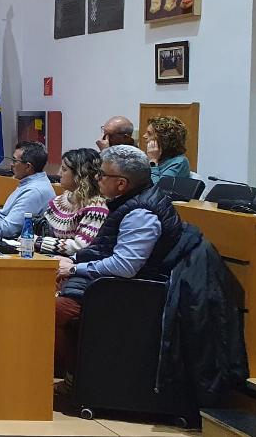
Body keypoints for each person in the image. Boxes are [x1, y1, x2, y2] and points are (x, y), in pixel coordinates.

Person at [53, 145, 183, 378]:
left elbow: (124, 267)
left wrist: (74, 268)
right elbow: (102, 249)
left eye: (102, 174)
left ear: (121, 183)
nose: (96, 178)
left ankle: (79, 379)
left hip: (121, 294)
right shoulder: (128, 202)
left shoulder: (142, 214)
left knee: (44, 310)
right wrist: (72, 262)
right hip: (99, 285)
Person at [34, 148, 109, 256]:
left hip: (68, 266)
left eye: (64, 169)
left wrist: (39, 242)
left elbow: (80, 246)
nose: (58, 173)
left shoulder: (97, 208)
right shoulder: (59, 201)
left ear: (80, 175)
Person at [144, 115, 191, 184]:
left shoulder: (179, 162)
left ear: (163, 139)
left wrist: (153, 162)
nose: (144, 136)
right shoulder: (151, 156)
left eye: (149, 133)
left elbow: (158, 191)